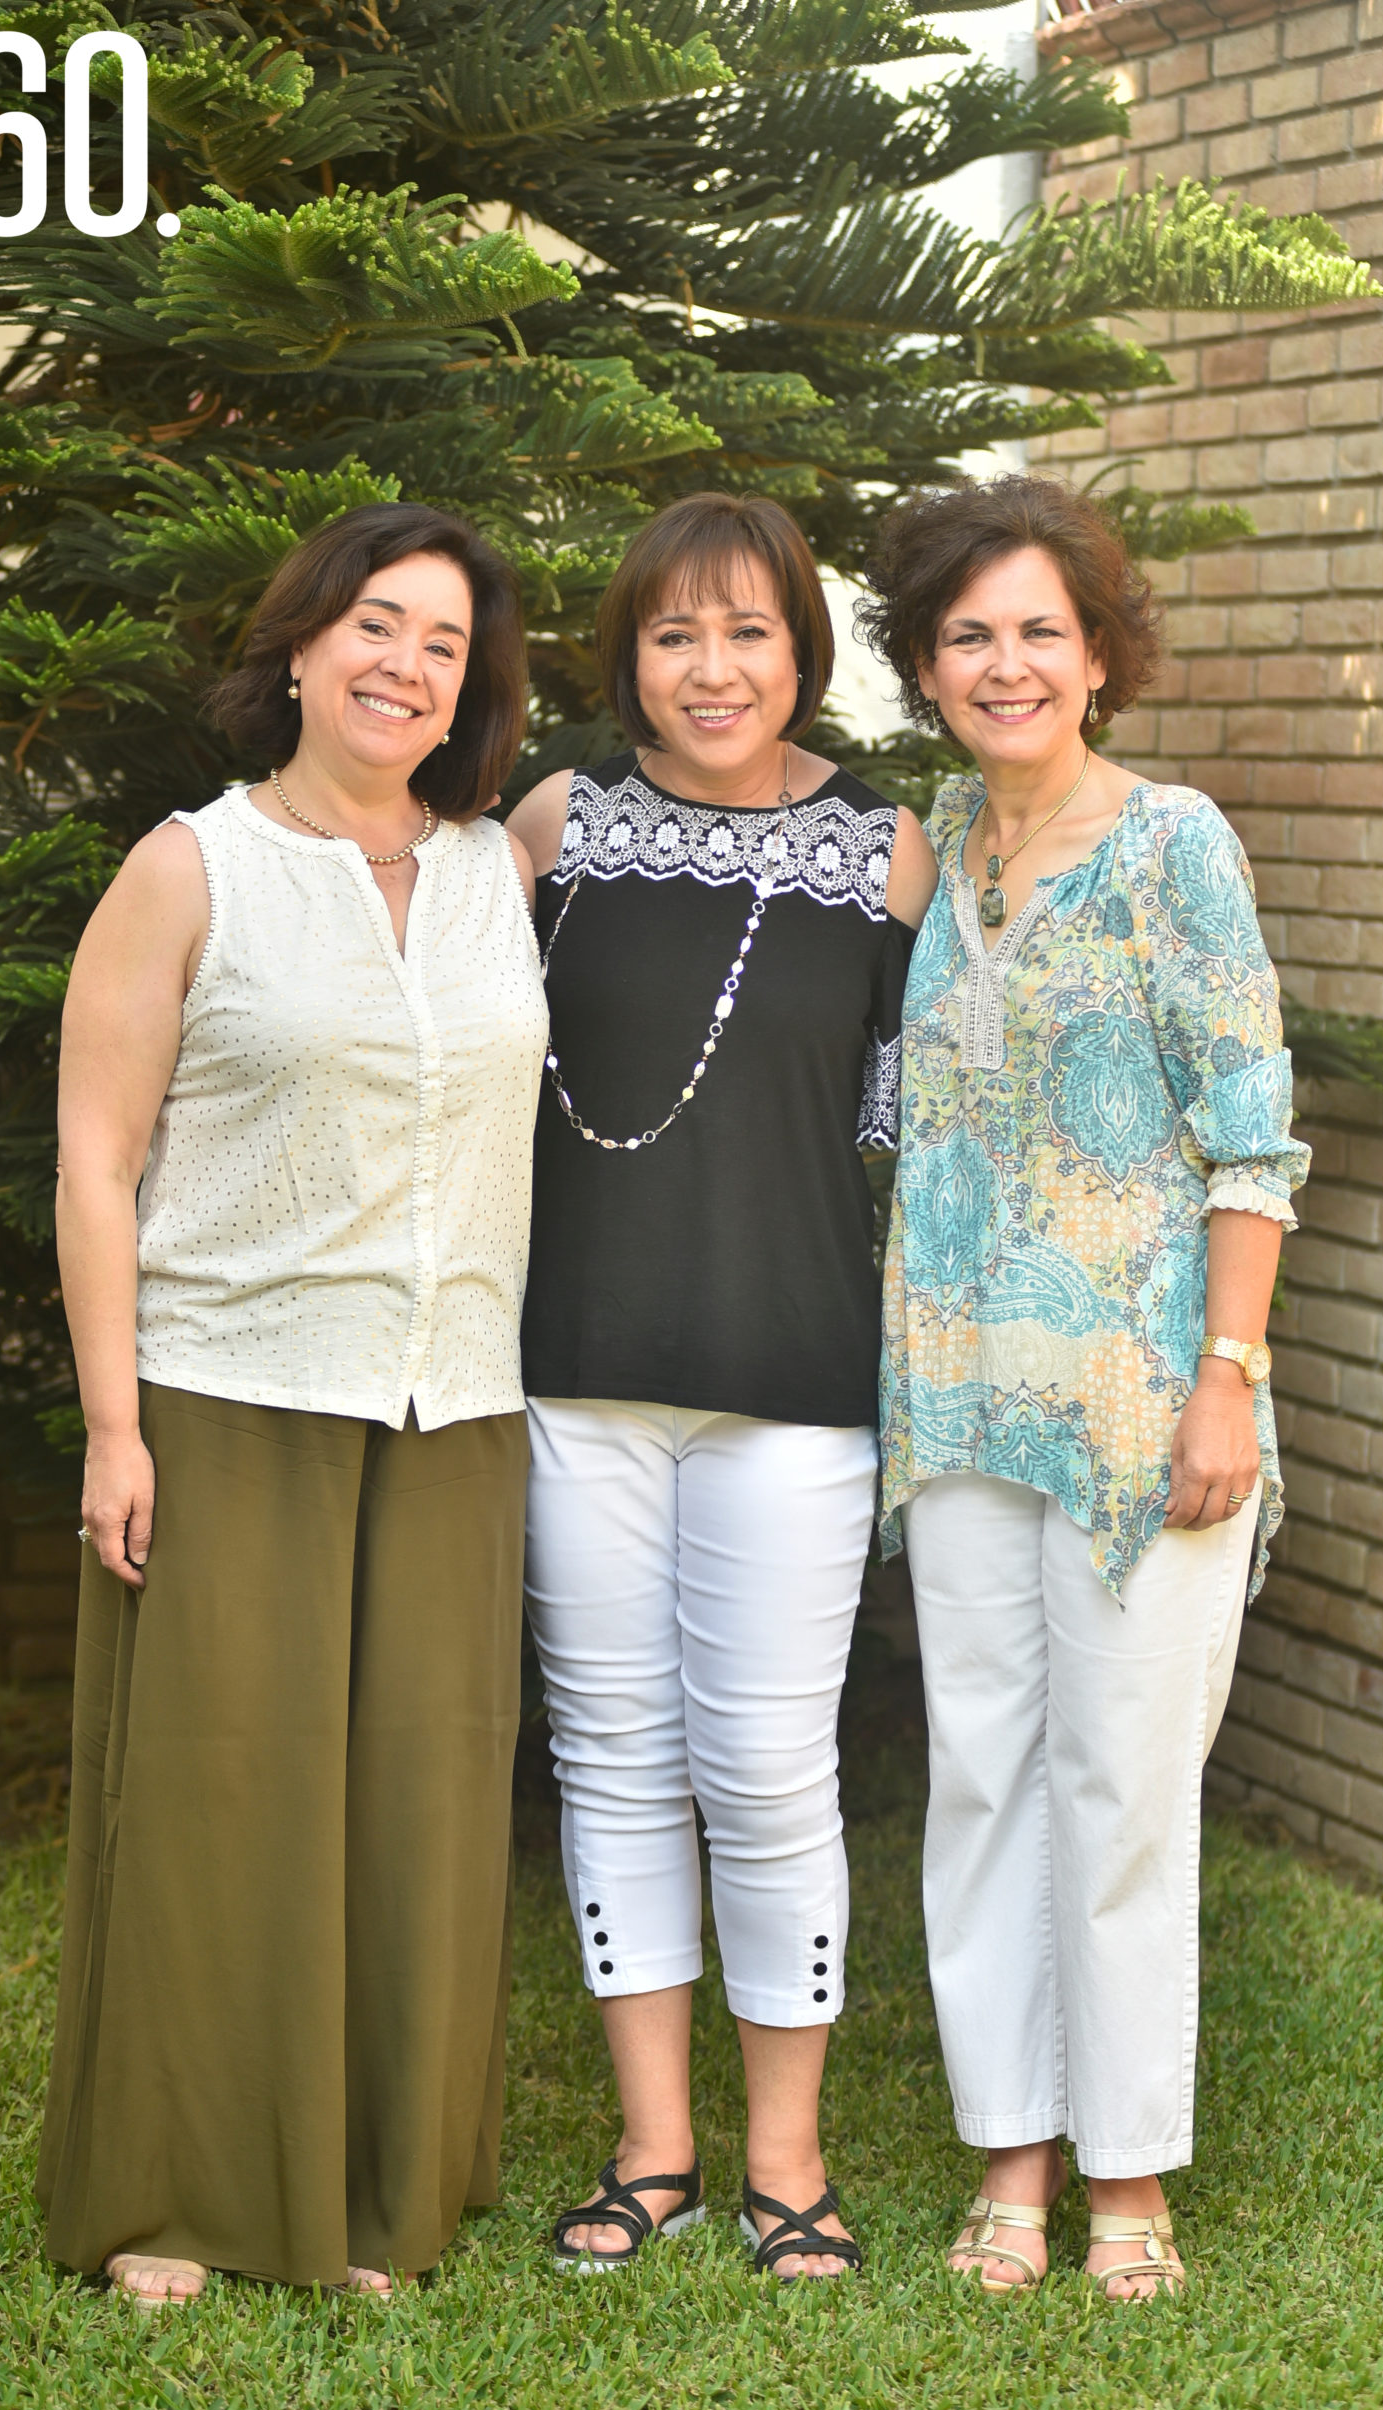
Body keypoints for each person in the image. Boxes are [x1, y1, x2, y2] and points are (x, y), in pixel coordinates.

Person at [39, 502, 547, 2303]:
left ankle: (370, 2197)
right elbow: (97, 1160)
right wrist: (116, 1428)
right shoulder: (192, 868)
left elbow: (720, 806)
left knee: (417, 1801)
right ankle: (177, 2200)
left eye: (445, 646)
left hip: (453, 1405)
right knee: (217, 1795)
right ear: (303, 643)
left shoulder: (507, 860)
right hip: (231, 1389)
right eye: (377, 626)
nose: (408, 666)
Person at [860, 477, 1310, 2299]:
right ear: (925, 668)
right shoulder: (931, 850)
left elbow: (1252, 1142)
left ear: (1101, 657)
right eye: (968, 634)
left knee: (1119, 1791)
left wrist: (1228, 1380)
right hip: (957, 1396)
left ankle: (1126, 2175)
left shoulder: (1175, 843)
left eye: (1041, 628)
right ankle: (1009, 2159)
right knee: (981, 1779)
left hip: (1144, 1408)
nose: (1005, 662)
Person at [507, 492, 936, 2280]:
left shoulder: (893, 851)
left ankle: (788, 2168)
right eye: (674, 634)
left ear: (801, 649)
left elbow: (918, 1132)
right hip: (572, 1372)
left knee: (766, 1768)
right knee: (612, 1760)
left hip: (794, 1377)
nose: (711, 667)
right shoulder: (551, 829)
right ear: (628, 656)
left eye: (748, 630)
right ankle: (650, 2152)